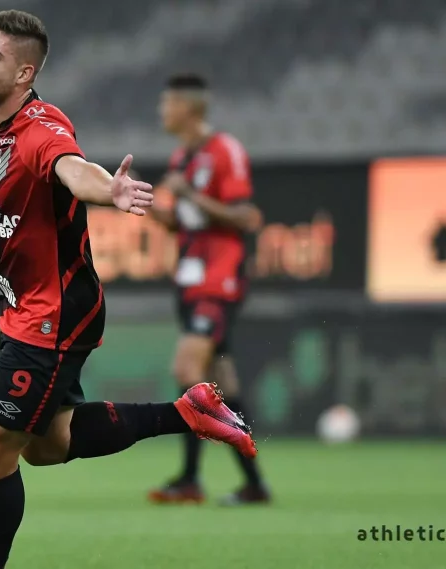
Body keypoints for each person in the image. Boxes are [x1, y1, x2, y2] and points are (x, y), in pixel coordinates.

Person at [0, 10, 258, 569]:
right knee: (46, 445)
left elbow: (73, 168)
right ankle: (187, 413)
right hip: (23, 307)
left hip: (54, 312)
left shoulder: (42, 130)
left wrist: (110, 191)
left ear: (24, 74)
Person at [147, 73, 271, 507]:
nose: (162, 111)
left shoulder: (224, 151)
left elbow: (245, 216)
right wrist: (150, 205)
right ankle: (254, 484)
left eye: (167, 104)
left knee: (188, 370)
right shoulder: (183, 156)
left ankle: (189, 479)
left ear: (188, 107)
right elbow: (181, 221)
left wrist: (190, 196)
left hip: (218, 279)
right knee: (222, 383)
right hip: (190, 280)